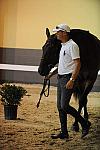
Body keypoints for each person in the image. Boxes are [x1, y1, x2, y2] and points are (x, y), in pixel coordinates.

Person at [45, 23, 90, 139]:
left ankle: (84, 123)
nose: (56, 34)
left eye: (58, 32)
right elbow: (63, 63)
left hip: (67, 78)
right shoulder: (63, 45)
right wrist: (52, 74)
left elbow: (77, 63)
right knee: (60, 107)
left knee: (64, 106)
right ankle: (64, 132)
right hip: (60, 78)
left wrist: (72, 79)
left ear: (64, 33)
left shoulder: (72, 46)